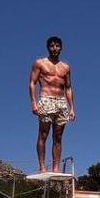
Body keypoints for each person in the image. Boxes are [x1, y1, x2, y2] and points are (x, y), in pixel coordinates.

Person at [29, 35, 75, 172]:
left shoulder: (65, 67)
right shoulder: (40, 63)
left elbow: (68, 87)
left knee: (58, 136)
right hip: (46, 99)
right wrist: (33, 102)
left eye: (57, 46)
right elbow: (32, 82)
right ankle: (42, 166)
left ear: (61, 48)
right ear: (48, 47)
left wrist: (72, 108)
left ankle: (56, 167)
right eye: (52, 46)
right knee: (43, 134)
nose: (55, 48)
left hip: (61, 102)